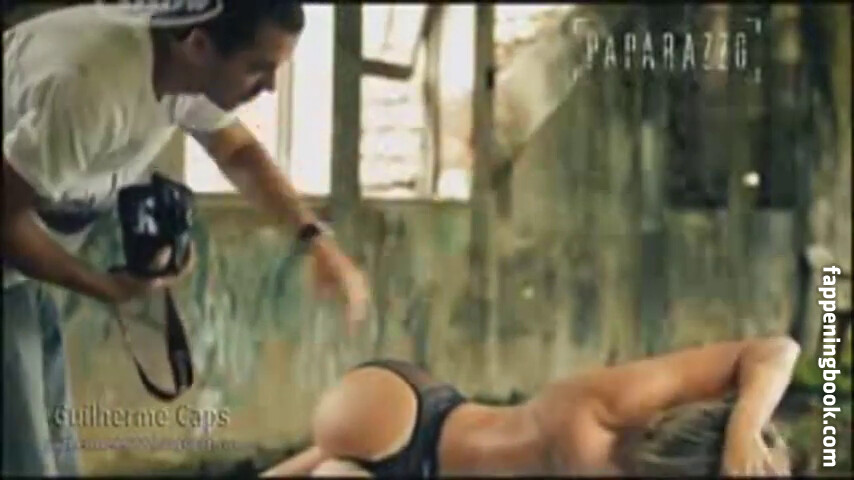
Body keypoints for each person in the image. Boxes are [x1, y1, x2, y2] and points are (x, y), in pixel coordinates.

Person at [2, 1, 369, 475]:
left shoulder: (182, 63)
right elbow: (3, 221)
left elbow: (238, 151)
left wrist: (316, 240)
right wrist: (109, 289)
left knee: (57, 451)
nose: (270, 88)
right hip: (9, 246)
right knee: (26, 458)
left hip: (25, 260)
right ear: (199, 45)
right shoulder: (91, 90)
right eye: (258, 69)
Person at [261, 335, 801, 477]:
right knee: (338, 457)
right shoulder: (623, 411)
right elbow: (779, 349)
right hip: (411, 419)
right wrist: (745, 425)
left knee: (334, 468)